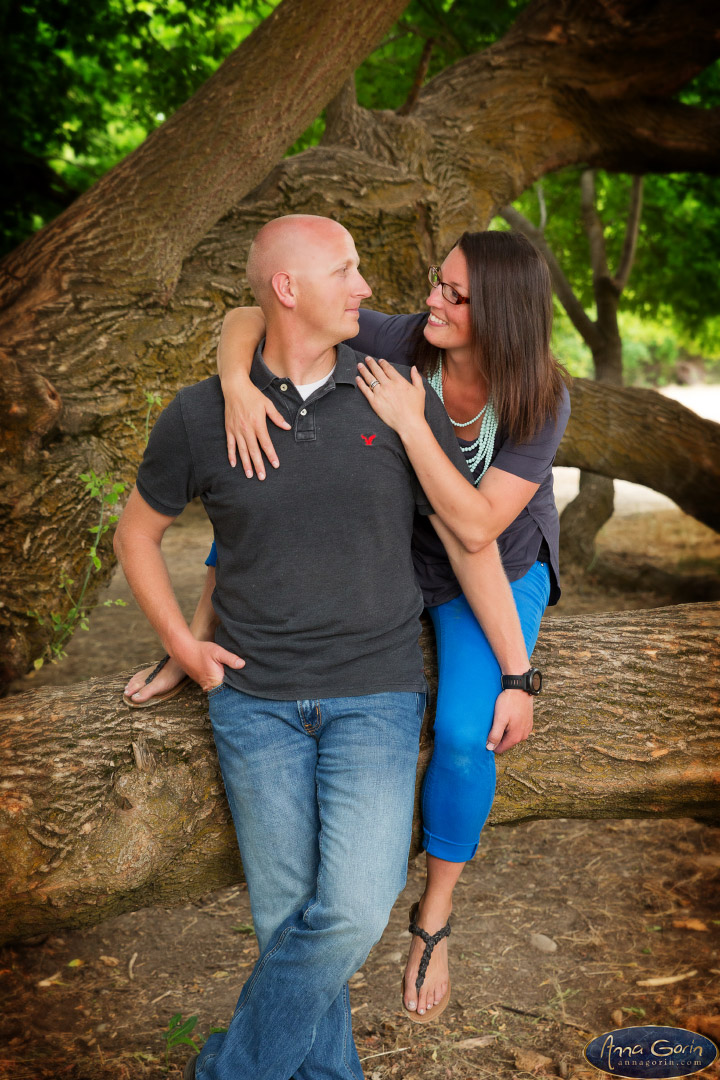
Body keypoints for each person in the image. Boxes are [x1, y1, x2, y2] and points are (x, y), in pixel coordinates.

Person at [115, 213, 534, 1079]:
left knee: (349, 910)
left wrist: (522, 670)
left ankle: (230, 1070)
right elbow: (136, 534)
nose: (370, 287)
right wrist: (183, 646)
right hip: (253, 703)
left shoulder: (393, 390)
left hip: (374, 695)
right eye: (346, 270)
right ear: (290, 290)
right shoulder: (201, 413)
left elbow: (470, 542)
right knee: (286, 920)